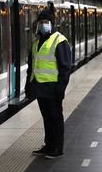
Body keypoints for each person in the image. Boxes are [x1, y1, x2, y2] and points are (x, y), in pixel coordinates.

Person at [27, 9, 72, 159]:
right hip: (40, 87)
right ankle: (49, 145)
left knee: (55, 118)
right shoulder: (36, 42)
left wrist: (61, 88)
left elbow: (65, 67)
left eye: (45, 22)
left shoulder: (60, 41)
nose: (43, 25)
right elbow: (32, 66)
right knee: (47, 118)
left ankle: (57, 148)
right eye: (40, 23)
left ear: (52, 24)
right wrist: (29, 85)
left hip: (53, 88)